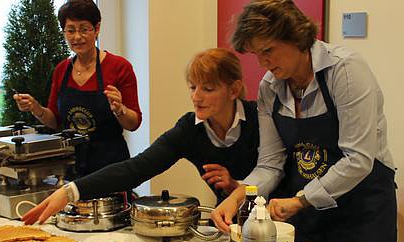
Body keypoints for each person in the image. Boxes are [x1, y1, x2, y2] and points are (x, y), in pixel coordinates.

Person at [211, 0, 397, 242]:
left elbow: (357, 159)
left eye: (268, 51)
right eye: (256, 54)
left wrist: (301, 200)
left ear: (296, 37)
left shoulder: (345, 71)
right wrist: (239, 195)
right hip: (307, 215)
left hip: (361, 211)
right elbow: (270, 164)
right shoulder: (270, 88)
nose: (263, 63)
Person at [22, 48, 259, 225]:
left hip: (275, 225)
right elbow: (136, 168)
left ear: (234, 89)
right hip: (226, 223)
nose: (196, 97)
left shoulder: (259, 119)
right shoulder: (189, 129)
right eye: (192, 87)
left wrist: (238, 188)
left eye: (207, 89)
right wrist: (70, 192)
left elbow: (277, 174)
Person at [13, 0, 142, 176]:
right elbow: (55, 121)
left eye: (84, 29)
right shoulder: (61, 70)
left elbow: (134, 123)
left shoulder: (119, 67)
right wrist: (36, 108)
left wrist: (120, 109)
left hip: (111, 165)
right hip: (70, 163)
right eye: (70, 30)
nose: (77, 37)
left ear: (97, 29)